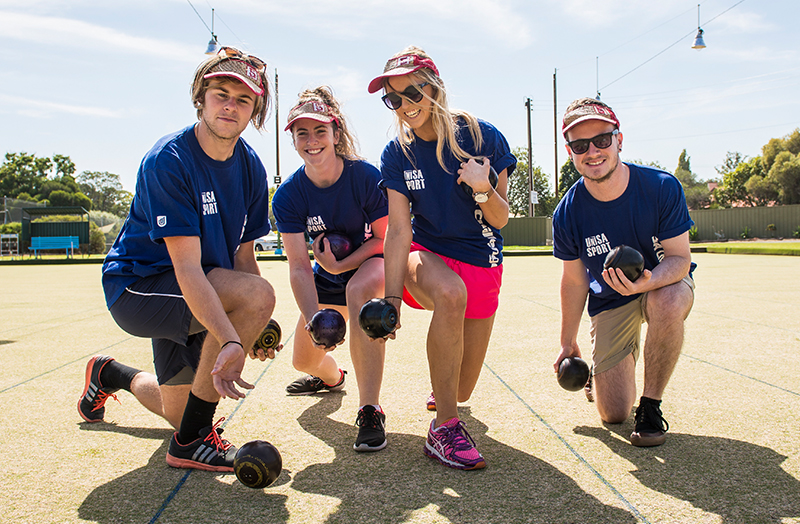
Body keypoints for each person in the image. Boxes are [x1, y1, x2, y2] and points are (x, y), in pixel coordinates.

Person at [79, 46, 278, 472]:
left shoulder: (250, 167)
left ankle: (110, 374)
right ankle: (190, 444)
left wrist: (255, 324)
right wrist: (230, 336)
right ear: (200, 98)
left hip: (196, 288)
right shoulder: (169, 159)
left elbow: (243, 258)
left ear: (255, 110)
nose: (230, 105)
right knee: (257, 297)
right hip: (139, 287)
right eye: (221, 93)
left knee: (180, 409)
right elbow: (186, 267)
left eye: (243, 99)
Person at [369, 46, 516, 470]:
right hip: (427, 256)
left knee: (462, 387)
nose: (404, 106)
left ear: (434, 88)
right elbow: (398, 230)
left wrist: (482, 185)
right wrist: (392, 300)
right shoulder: (398, 153)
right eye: (392, 99)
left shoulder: (483, 135)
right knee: (450, 294)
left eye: (412, 93)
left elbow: (502, 218)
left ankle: (449, 394)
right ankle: (444, 428)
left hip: (482, 262)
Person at [552, 97, 695, 447]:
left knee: (670, 298)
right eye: (580, 145)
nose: (593, 152)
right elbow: (574, 280)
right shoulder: (567, 212)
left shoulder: (661, 187)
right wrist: (567, 342)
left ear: (619, 140)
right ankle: (603, 376)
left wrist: (648, 281)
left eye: (602, 140)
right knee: (613, 413)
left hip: (659, 282)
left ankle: (650, 405)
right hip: (610, 299)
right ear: (570, 151)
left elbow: (678, 258)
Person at [271, 87, 390, 452]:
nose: (312, 141)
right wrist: (313, 318)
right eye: (301, 133)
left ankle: (370, 409)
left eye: (320, 131)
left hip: (372, 266)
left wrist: (341, 264)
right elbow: (298, 268)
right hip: (326, 278)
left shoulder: (366, 178)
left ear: (336, 134)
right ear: (292, 139)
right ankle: (333, 378)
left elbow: (386, 240)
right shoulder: (288, 196)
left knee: (358, 295)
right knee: (302, 360)